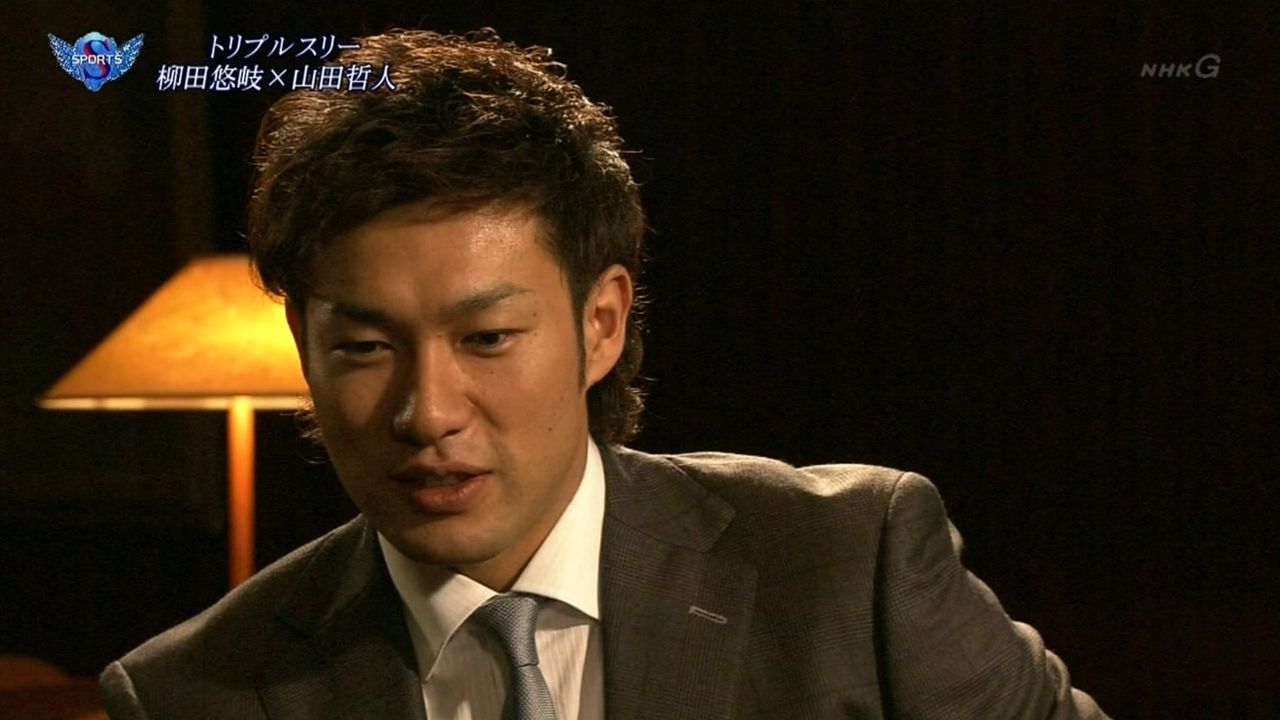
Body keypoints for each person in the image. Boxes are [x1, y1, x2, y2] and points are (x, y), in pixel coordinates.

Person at [99, 29, 1110, 719]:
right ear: (303, 346)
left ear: (600, 324)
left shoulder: (849, 565)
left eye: (487, 338)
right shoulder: (194, 693)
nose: (426, 412)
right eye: (364, 348)